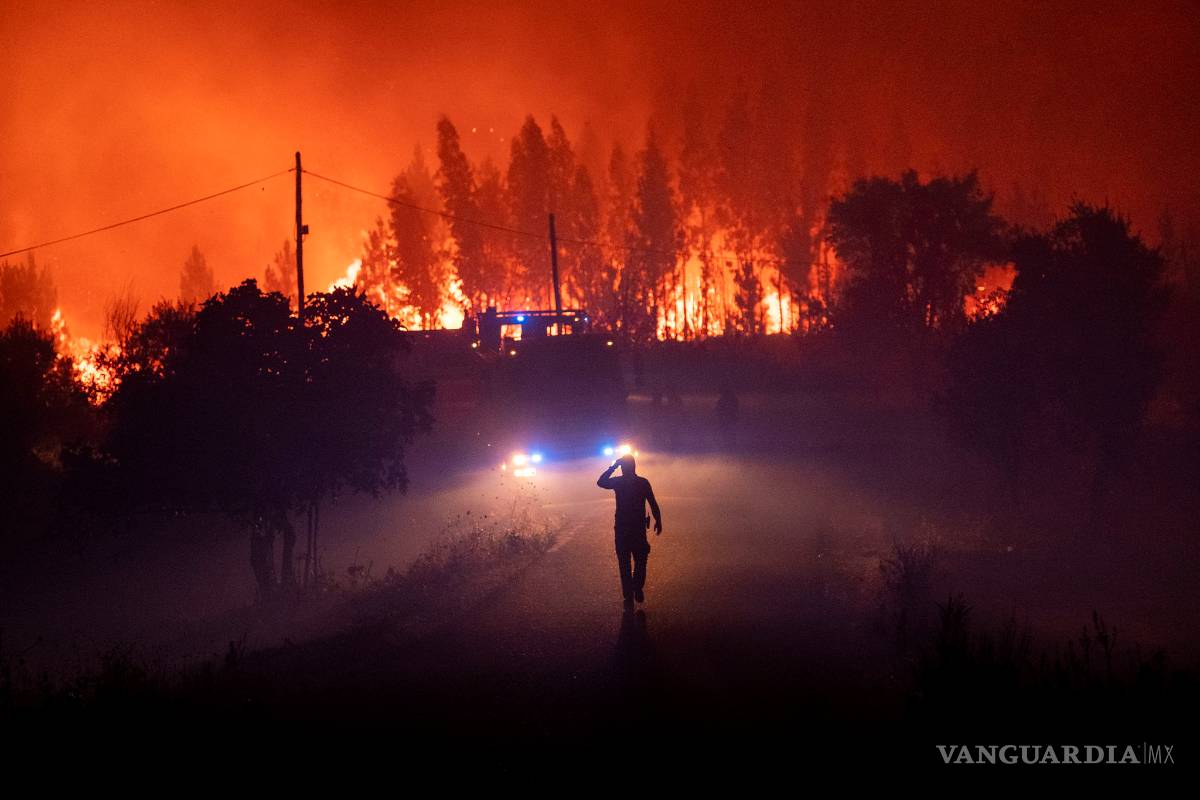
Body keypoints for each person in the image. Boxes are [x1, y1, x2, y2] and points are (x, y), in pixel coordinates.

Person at [597, 454, 662, 610]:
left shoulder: (619, 482)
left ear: (623, 467)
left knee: (624, 563)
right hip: (638, 529)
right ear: (634, 466)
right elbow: (653, 503)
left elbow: (600, 482)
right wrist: (658, 521)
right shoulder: (642, 483)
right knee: (640, 560)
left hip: (622, 529)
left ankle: (628, 595)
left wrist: (613, 466)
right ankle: (637, 587)